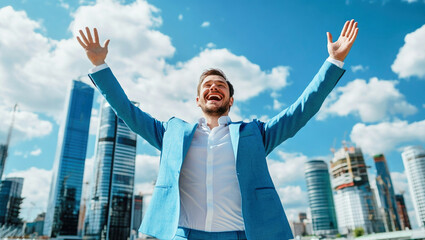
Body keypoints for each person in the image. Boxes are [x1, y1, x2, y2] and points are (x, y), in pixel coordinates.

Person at [77, 19, 358, 240]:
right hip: (183, 236)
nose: (214, 87)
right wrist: (99, 65)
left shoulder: (255, 134)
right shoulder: (171, 134)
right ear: (198, 100)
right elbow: (128, 112)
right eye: (207, 86)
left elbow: (301, 110)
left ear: (230, 100)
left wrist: (333, 62)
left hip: (241, 236)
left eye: (221, 85)